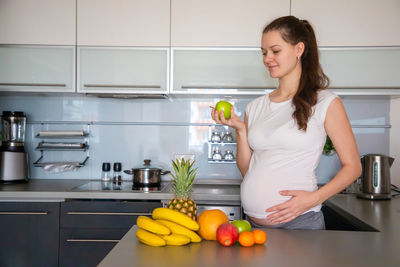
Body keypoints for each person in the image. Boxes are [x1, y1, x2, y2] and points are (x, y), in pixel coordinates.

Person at [211, 16, 361, 230]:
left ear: (299, 49)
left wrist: (313, 199)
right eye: (264, 52)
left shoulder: (325, 102)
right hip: (253, 226)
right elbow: (248, 171)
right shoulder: (255, 107)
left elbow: (353, 167)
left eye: (275, 51)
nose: (267, 59)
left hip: (300, 223)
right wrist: (241, 131)